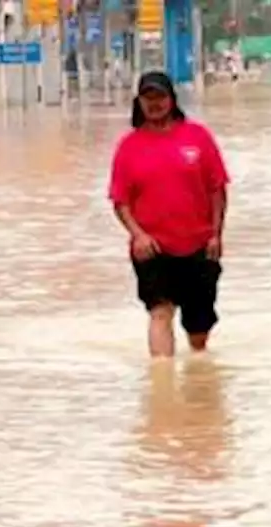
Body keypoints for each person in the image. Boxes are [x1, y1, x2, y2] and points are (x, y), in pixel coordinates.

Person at [109, 71, 231, 358]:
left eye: (160, 96)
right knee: (159, 312)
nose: (154, 103)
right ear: (138, 102)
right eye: (147, 98)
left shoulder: (198, 137)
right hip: (152, 247)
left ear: (172, 100)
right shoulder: (128, 147)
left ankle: (199, 374)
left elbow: (218, 189)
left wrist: (216, 233)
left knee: (198, 329)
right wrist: (137, 235)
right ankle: (161, 386)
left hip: (199, 244)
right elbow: (119, 201)